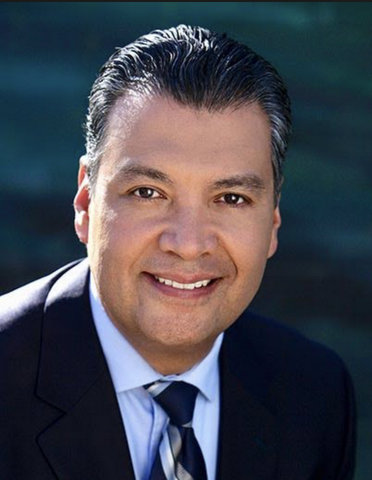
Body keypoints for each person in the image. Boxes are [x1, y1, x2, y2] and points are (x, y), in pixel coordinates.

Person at [0, 25, 355, 480]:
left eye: (230, 199)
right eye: (148, 192)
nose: (188, 244)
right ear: (86, 202)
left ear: (272, 221)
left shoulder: (315, 393)